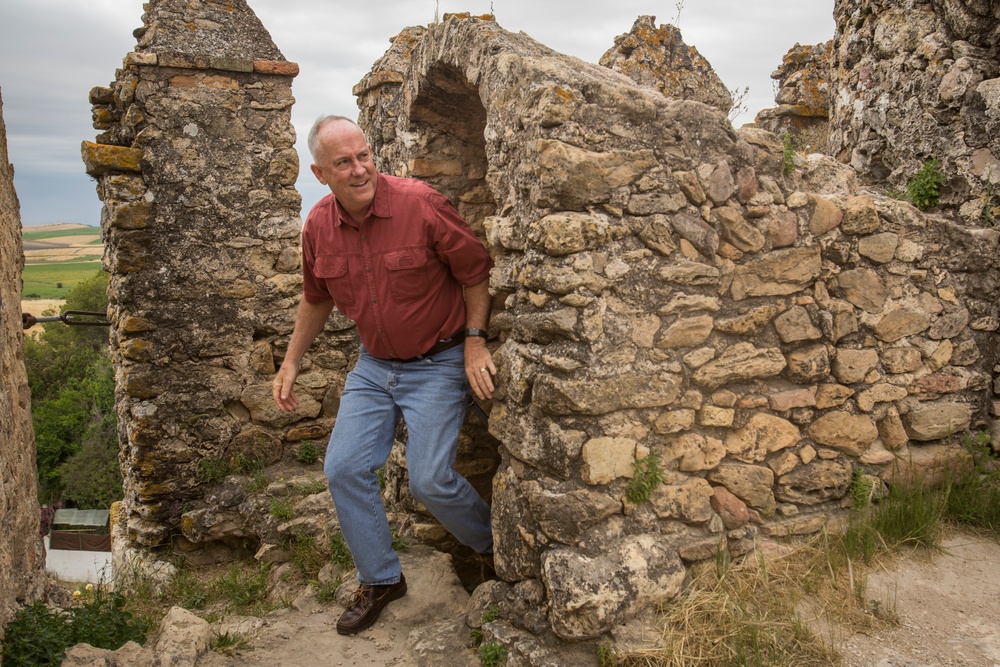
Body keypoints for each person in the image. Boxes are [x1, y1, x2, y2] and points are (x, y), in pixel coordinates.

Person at [272, 115, 496, 635]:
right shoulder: (318, 225)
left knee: (430, 480)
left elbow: (475, 272)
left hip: (440, 361)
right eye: (344, 162)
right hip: (374, 366)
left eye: (365, 155)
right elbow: (316, 298)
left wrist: (474, 343)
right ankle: (380, 578)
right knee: (343, 468)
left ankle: (492, 549)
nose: (359, 169)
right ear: (320, 172)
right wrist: (290, 362)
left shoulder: (420, 204)